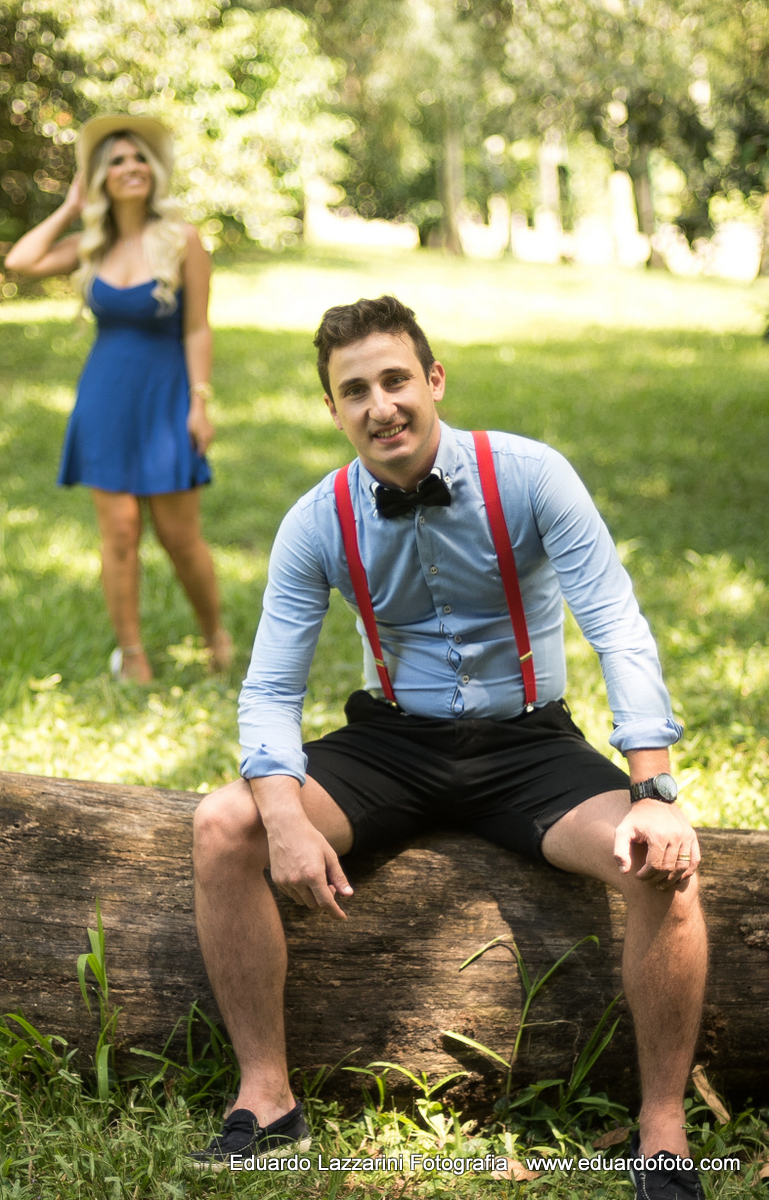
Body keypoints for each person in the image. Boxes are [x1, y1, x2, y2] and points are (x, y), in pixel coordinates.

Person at [189, 296, 706, 1199]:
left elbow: (616, 627)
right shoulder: (316, 520)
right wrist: (281, 814)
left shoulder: (531, 476)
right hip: (392, 742)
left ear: (433, 380)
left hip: (528, 744)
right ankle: (266, 1101)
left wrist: (652, 790)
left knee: (661, 864)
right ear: (333, 410)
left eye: (395, 380)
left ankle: (661, 1129)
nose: (380, 405)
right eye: (355, 391)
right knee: (221, 824)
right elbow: (268, 689)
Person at [5, 114, 231, 681]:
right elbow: (19, 262)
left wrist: (200, 401)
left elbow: (197, 329)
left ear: (153, 171)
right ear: (100, 177)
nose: (131, 167)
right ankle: (132, 656)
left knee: (180, 537)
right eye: (117, 161)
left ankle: (215, 636)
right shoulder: (92, 245)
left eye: (138, 159)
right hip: (105, 400)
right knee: (120, 534)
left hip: (167, 397)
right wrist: (69, 207)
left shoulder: (182, 240)